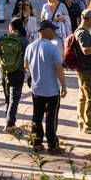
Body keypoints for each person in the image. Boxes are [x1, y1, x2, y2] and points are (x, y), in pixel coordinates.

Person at [25, 19, 67, 153]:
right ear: (46, 31)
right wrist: (64, 86)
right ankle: (52, 144)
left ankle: (36, 142)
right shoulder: (52, 48)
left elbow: (25, 65)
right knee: (51, 118)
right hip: (51, 90)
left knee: (36, 117)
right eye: (53, 30)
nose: (55, 32)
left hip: (36, 89)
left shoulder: (30, 46)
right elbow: (59, 68)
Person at [0, 17, 29, 133]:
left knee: (7, 98)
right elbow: (27, 58)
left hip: (4, 71)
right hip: (18, 71)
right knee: (14, 99)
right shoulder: (24, 40)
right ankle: (10, 124)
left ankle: (9, 120)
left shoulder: (4, 37)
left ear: (11, 27)